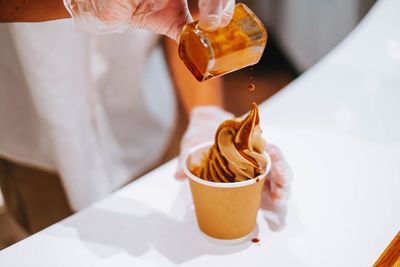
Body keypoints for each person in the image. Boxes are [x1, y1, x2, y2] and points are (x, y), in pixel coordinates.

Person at [0, 0, 291, 236]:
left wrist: (206, 113)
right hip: (38, 142)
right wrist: (76, 4)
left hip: (146, 119)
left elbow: (188, 20)